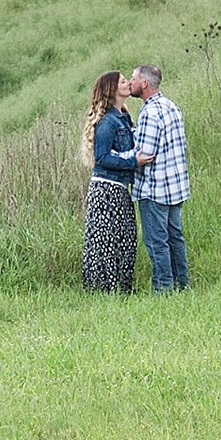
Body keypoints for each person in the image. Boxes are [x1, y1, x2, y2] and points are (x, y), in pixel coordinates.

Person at [129, 63, 189, 291]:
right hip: (176, 186)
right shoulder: (171, 107)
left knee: (156, 241)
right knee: (175, 238)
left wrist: (118, 157)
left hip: (155, 189)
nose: (130, 82)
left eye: (133, 78)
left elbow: (145, 153)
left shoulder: (150, 113)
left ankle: (163, 288)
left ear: (144, 83)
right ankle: (182, 283)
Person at [81, 70, 140, 294]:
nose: (127, 83)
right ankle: (104, 289)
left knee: (125, 237)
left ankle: (122, 287)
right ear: (112, 89)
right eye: (123, 81)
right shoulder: (107, 122)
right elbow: (103, 157)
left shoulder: (123, 117)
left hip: (119, 188)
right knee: (106, 239)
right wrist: (134, 160)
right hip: (106, 188)